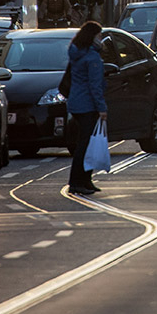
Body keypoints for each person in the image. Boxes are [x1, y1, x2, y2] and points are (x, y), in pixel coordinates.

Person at [66, 21, 107, 196]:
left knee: (85, 143)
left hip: (76, 103)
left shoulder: (77, 53)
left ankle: (85, 180)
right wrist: (102, 108)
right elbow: (95, 86)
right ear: (92, 37)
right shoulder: (91, 57)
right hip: (87, 105)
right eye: (99, 35)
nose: (101, 39)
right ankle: (78, 181)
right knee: (85, 145)